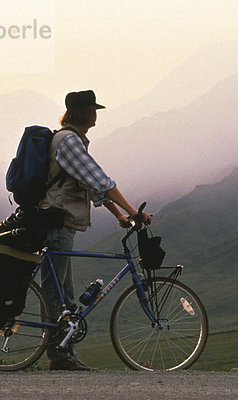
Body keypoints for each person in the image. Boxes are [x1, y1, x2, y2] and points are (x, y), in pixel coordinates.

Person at [39, 89, 152, 371]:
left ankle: (65, 355)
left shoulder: (72, 140)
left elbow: (89, 187)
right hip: (57, 222)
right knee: (55, 290)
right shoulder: (69, 141)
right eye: (92, 109)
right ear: (79, 113)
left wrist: (119, 216)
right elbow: (100, 179)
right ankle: (58, 357)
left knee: (64, 293)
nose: (96, 113)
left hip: (62, 223)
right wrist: (132, 211)